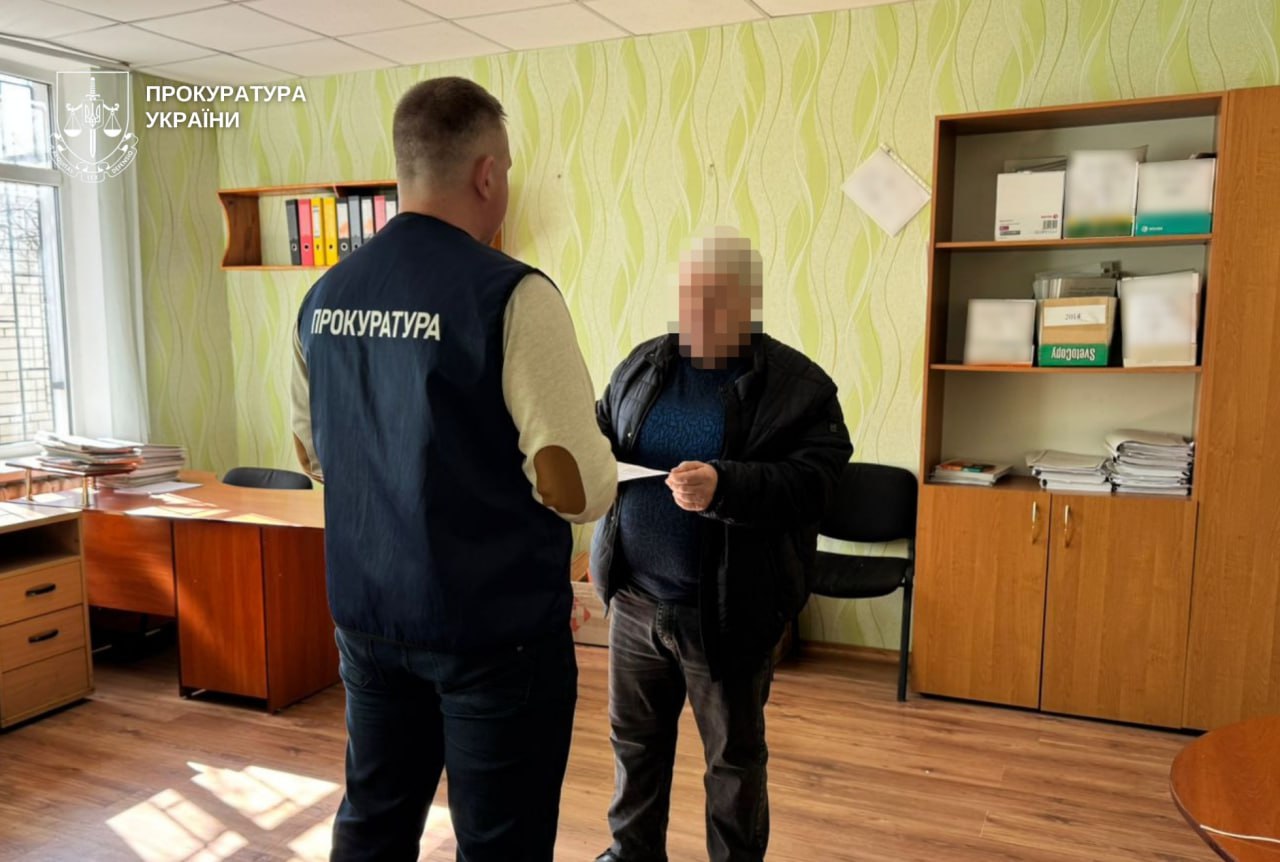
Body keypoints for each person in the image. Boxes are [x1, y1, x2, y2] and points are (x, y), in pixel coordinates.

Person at [290, 76, 617, 862]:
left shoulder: (324, 295)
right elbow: (574, 485)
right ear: (487, 173)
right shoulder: (511, 294)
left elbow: (314, 455)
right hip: (492, 632)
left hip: (368, 618)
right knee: (499, 843)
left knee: (372, 822)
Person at [590, 228, 853, 862]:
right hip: (635, 602)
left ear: (747, 301)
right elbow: (602, 426)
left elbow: (819, 483)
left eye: (711, 299)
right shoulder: (644, 365)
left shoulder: (798, 387)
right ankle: (631, 854)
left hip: (729, 611)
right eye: (687, 296)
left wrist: (725, 486)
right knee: (635, 744)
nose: (694, 313)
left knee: (733, 763)